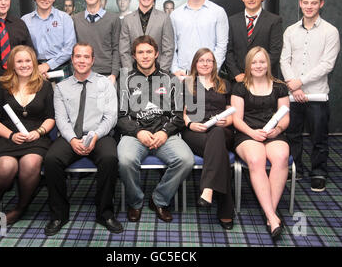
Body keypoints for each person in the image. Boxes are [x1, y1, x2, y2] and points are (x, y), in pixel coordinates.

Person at [43, 42, 123, 235]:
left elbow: (111, 117)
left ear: (93, 60)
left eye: (86, 57)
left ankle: (105, 213)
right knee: (51, 160)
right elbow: (60, 119)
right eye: (78, 56)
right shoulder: (61, 87)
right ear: (72, 59)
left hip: (99, 134)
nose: (82, 60)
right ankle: (59, 215)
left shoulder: (105, 84)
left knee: (110, 158)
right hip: (71, 136)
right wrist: (72, 140)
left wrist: (95, 135)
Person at [117, 35, 194, 223]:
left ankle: (159, 199)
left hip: (164, 134)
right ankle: (135, 203)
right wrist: (138, 132)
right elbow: (119, 116)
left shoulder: (170, 79)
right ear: (134, 56)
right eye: (140, 52)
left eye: (149, 52)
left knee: (186, 160)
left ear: (156, 54)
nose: (145, 56)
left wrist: (164, 132)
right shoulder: (124, 80)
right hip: (134, 134)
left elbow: (178, 116)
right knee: (125, 160)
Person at [0, 45, 55, 230]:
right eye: (19, 61)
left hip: (36, 138)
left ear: (34, 63)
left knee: (30, 164)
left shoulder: (45, 86)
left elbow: (50, 118)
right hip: (7, 137)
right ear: (12, 65)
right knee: (6, 166)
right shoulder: (1, 86)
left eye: (28, 61)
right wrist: (11, 135)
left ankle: (21, 207)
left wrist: (39, 132)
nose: (24, 65)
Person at [280, 0, 340, 192]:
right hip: (292, 94)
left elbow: (327, 64)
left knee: (319, 137)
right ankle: (295, 167)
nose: (309, 6)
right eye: (306, 2)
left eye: (314, 3)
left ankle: (318, 172)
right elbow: (284, 60)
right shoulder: (290, 31)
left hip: (317, 94)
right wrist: (293, 85)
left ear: (321, 4)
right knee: (292, 134)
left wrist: (301, 82)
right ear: (300, 3)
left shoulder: (330, 31)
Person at [231, 46, 290, 239]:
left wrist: (278, 130)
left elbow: (285, 117)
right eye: (254, 62)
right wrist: (252, 132)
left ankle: (269, 213)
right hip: (247, 133)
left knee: (281, 156)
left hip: (273, 133)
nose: (258, 65)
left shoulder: (280, 86)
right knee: (256, 159)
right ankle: (273, 218)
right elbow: (236, 119)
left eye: (262, 62)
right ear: (248, 64)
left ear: (268, 64)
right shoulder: (239, 87)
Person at [181, 48, 234, 230]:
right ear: (195, 63)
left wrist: (227, 121)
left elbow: (233, 113)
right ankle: (226, 211)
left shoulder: (224, 84)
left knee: (218, 135)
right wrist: (189, 125)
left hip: (221, 129)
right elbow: (181, 113)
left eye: (209, 61)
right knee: (220, 155)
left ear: (214, 64)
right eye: (201, 60)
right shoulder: (187, 84)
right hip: (195, 131)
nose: (205, 64)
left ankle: (208, 189)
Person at [170, 0, 228, 77]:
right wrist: (175, 69)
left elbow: (222, 45)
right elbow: (171, 46)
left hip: (210, 76)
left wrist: (213, 70)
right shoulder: (175, 15)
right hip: (183, 75)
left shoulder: (218, 12)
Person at [225, 0, 283, 81]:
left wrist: (258, 72)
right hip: (239, 80)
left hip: (264, 79)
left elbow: (275, 52)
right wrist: (236, 74)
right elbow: (228, 51)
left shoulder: (274, 21)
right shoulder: (232, 21)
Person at [21, 0, 76, 82]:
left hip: (61, 67)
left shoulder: (65, 18)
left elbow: (70, 48)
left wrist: (47, 65)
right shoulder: (25, 20)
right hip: (34, 69)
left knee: (63, 98)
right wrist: (37, 67)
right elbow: (22, 48)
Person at [119, 0, 175, 72]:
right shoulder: (127, 20)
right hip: (133, 75)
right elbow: (124, 51)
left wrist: (159, 73)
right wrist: (131, 74)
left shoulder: (164, 19)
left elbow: (168, 50)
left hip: (158, 75)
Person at [73, 0, 120, 84]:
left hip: (107, 75)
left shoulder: (113, 19)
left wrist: (114, 74)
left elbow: (116, 48)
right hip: (82, 74)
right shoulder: (75, 19)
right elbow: (72, 49)